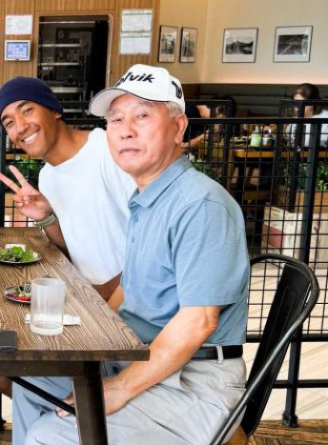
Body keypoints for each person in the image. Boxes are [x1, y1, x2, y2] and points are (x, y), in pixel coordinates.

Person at [24, 64, 249, 445]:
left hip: (193, 383)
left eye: (142, 115)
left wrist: (118, 388)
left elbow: (200, 323)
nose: (126, 130)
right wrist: (92, 338)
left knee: (49, 437)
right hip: (138, 357)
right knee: (31, 381)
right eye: (116, 120)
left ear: (179, 128)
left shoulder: (201, 204)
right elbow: (131, 284)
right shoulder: (148, 197)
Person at [0, 77, 136, 431]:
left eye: (27, 110)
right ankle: (62, 428)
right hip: (87, 301)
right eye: (9, 121)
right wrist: (47, 218)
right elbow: (74, 249)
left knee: (18, 373)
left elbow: (147, 250)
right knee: (3, 368)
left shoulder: (107, 150)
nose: (19, 126)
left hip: (126, 313)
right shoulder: (49, 176)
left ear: (54, 109)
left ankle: (70, 428)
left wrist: (99, 311)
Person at [286, 83, 328, 147]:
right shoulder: (296, 118)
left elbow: (321, 143)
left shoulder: (325, 117)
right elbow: (289, 139)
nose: (297, 107)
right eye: (296, 102)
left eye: (302, 102)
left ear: (313, 102)